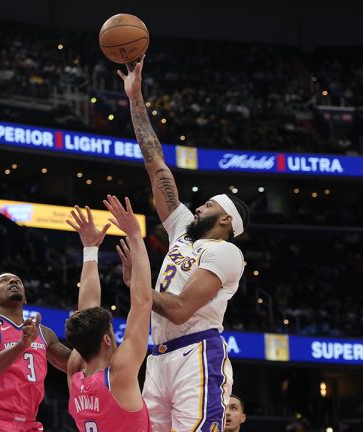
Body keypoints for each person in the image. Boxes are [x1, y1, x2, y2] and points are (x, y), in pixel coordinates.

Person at [119, 56, 250, 431]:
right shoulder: (182, 230)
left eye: (208, 205)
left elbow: (178, 309)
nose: (198, 207)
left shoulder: (227, 252)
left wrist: (136, 286)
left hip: (196, 352)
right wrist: (135, 97)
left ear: (225, 220)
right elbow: (154, 161)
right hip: (158, 357)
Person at [64, 198, 152, 431]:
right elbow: (142, 303)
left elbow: (87, 309)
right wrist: (134, 235)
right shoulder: (118, 376)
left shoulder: (75, 374)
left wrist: (91, 249)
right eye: (112, 332)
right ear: (106, 340)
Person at [0, 273, 72, 431]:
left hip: (29, 423)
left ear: (25, 299)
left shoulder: (43, 333)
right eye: (3, 281)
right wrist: (22, 345)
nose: (13, 281)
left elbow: (76, 365)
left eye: (18, 281)